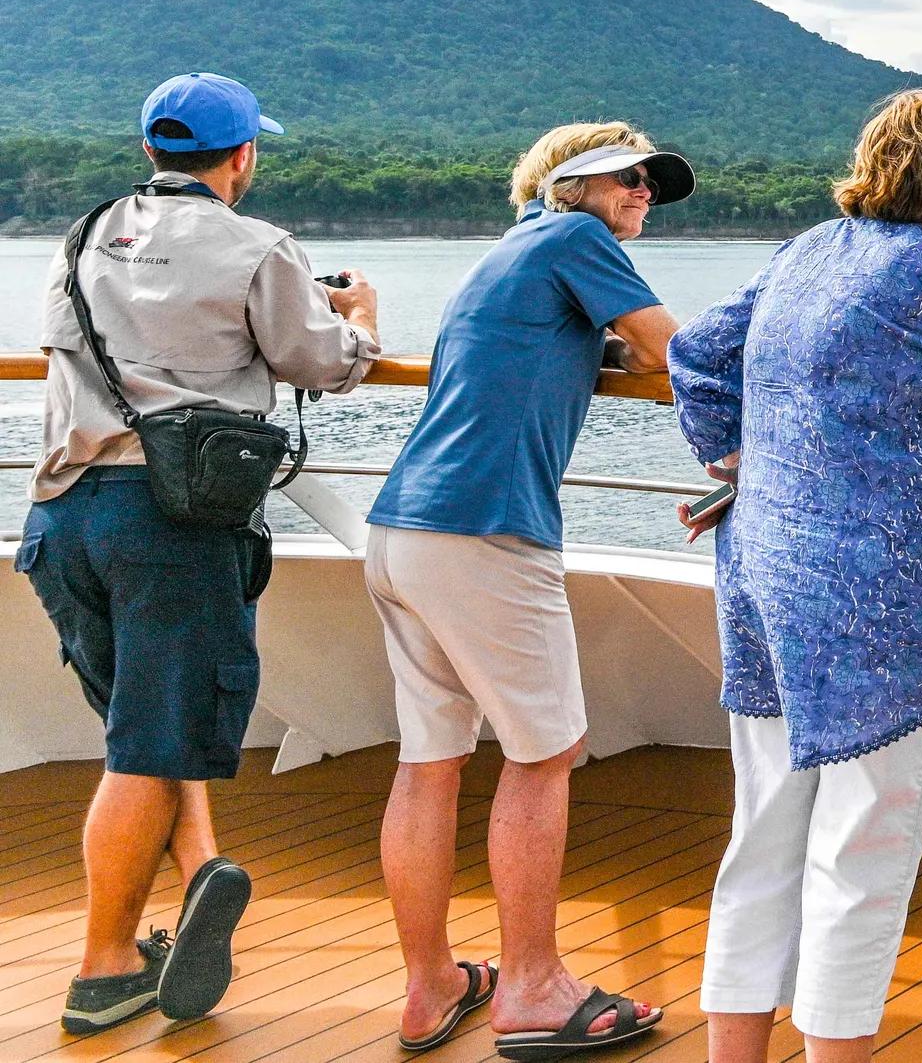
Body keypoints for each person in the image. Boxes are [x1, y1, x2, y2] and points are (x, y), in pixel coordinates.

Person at [668, 89, 922, 1063]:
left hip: (765, 572)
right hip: (877, 603)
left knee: (763, 828)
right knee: (867, 838)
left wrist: (733, 461)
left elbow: (696, 353)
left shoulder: (805, 251)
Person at [19, 72, 381, 1035]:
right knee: (146, 749)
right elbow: (325, 364)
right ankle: (101, 971)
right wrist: (362, 320)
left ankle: (198, 875)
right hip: (169, 523)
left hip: (62, 516)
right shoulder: (257, 245)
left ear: (151, 150)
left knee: (143, 724)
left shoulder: (84, 232)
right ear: (243, 156)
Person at [362, 122, 689, 1058]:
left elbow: (579, 350)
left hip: (404, 528)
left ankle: (430, 986)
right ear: (575, 183)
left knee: (429, 759)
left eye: (651, 185)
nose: (643, 194)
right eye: (629, 178)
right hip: (487, 530)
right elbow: (671, 348)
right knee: (546, 751)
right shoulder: (577, 240)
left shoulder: (516, 250)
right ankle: (535, 987)